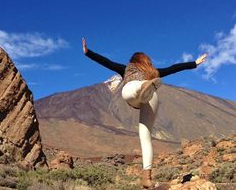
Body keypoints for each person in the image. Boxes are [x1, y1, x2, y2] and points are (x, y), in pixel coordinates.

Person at [82, 37, 207, 189]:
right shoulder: (153, 72)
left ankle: (142, 88)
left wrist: (88, 53)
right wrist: (194, 63)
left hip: (134, 95)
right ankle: (146, 177)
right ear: (145, 60)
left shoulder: (127, 68)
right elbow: (174, 68)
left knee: (141, 128)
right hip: (150, 97)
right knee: (146, 137)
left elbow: (107, 62)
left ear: (133, 61)